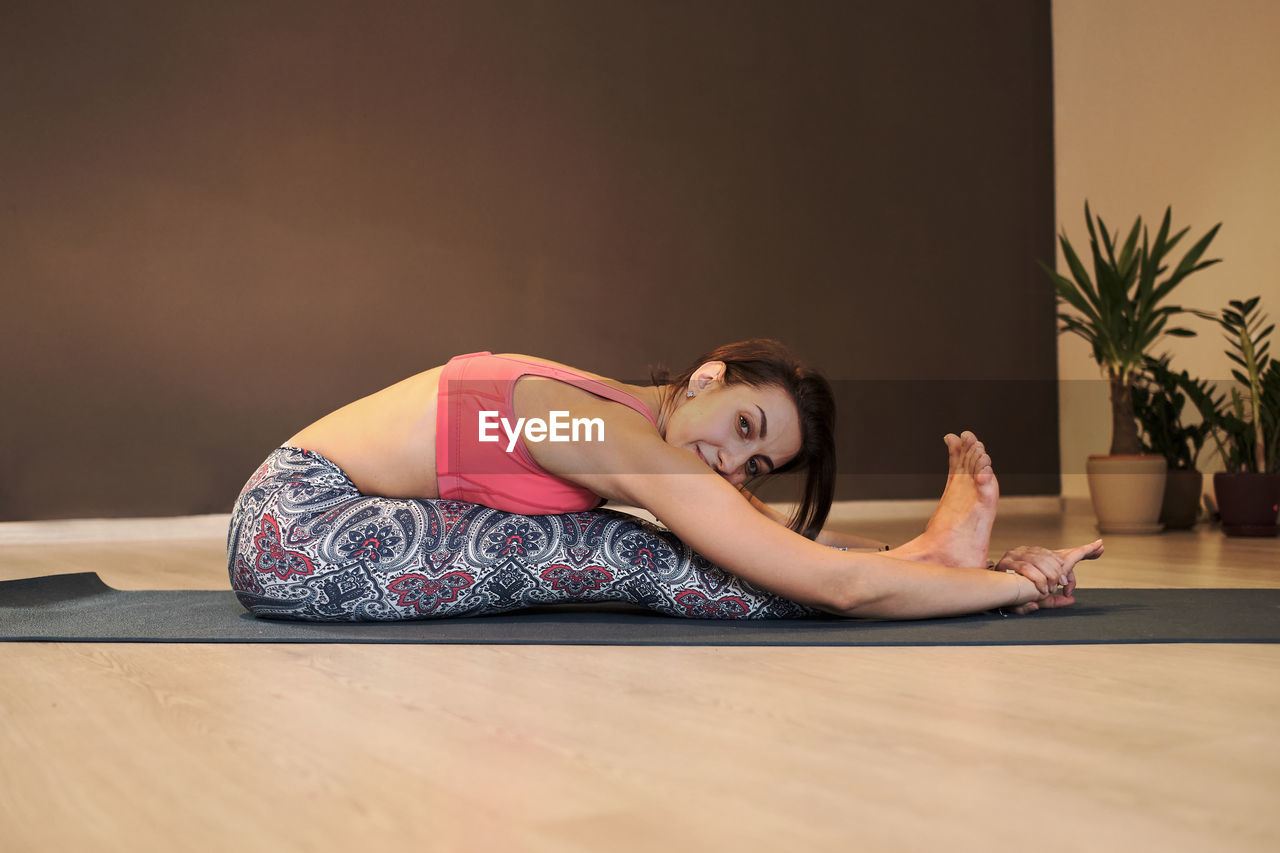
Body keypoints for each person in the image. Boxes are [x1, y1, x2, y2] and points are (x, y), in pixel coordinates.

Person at [227, 340, 1102, 621]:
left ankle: (927, 559)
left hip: (310, 523)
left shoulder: (627, 422)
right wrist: (993, 586)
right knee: (629, 554)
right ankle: (935, 566)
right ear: (711, 378)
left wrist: (912, 552)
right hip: (298, 531)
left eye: (757, 464)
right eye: (744, 428)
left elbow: (766, 537)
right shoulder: (611, 433)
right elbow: (828, 582)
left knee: (656, 543)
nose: (732, 462)